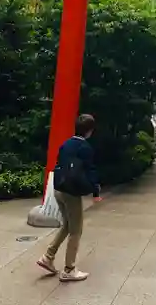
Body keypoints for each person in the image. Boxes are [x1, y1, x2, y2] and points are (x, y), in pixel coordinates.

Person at [37, 114, 102, 282]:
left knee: (67, 225)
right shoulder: (85, 147)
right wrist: (95, 192)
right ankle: (69, 269)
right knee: (76, 230)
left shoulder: (66, 144)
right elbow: (90, 170)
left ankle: (48, 256)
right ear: (89, 131)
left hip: (58, 189)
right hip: (71, 192)